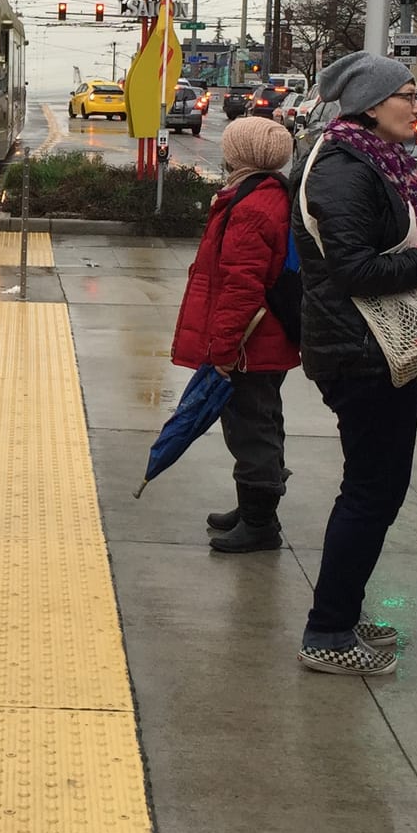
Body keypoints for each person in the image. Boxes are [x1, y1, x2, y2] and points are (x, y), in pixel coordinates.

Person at [291, 52, 417, 676]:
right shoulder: (343, 170)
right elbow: (355, 271)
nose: (416, 107)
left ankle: (340, 612)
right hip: (359, 350)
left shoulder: (376, 161)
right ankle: (328, 630)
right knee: (372, 491)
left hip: (372, 350)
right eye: (406, 95)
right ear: (371, 105)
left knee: (376, 489)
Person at [170, 116, 300, 554]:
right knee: (261, 422)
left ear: (241, 155)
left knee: (251, 430)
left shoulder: (250, 207)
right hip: (267, 338)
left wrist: (223, 349)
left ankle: (261, 523)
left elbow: (240, 284)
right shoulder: (268, 194)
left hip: (251, 342)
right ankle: (253, 509)